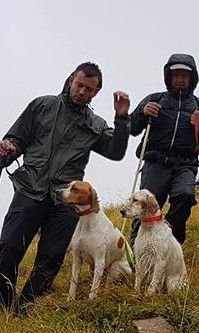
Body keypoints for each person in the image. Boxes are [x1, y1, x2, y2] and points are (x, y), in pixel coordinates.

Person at [0, 62, 130, 312]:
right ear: (71, 80)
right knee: (8, 250)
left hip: (66, 202)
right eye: (80, 85)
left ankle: (25, 308)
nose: (83, 92)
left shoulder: (96, 124)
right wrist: (8, 149)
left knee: (50, 260)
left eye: (89, 89)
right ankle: (4, 307)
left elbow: (116, 152)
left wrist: (122, 119)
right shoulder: (42, 105)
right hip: (30, 190)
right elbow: (16, 138)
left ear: (96, 92)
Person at [129, 53, 199, 247]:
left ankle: (168, 242)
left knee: (185, 196)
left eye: (184, 76)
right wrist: (142, 113)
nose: (179, 79)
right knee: (147, 204)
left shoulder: (198, 107)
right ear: (168, 76)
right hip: (155, 162)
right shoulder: (155, 99)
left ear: (192, 79)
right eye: (175, 74)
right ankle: (136, 250)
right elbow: (132, 128)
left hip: (185, 164)